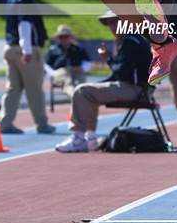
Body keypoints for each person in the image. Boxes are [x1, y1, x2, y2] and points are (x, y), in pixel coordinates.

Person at [55, 9, 151, 153]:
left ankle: (79, 137)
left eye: (115, 22)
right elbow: (121, 73)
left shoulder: (131, 41)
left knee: (82, 91)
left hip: (137, 90)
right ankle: (90, 139)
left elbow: (121, 72)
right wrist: (98, 83)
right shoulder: (129, 39)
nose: (112, 26)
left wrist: (107, 58)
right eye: (109, 23)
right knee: (87, 91)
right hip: (135, 87)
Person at [0, 0, 56, 134]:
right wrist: (27, 50)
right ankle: (42, 124)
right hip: (25, 49)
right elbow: (24, 24)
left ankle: (5, 122)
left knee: (13, 88)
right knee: (35, 89)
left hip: (10, 47)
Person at [45, 24, 91, 97]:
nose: (64, 39)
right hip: (60, 72)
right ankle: (76, 97)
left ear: (70, 37)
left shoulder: (78, 49)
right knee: (68, 82)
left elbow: (87, 62)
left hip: (76, 71)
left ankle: (83, 98)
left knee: (82, 83)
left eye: (66, 36)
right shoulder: (53, 50)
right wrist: (53, 73)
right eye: (61, 37)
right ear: (58, 38)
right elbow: (46, 65)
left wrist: (83, 69)